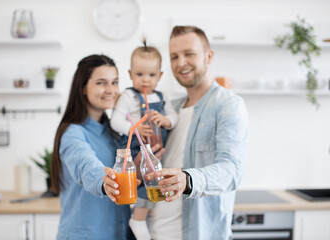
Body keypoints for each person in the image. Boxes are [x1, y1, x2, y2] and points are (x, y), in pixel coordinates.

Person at [146, 26, 249, 239]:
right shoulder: (168, 109)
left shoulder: (228, 105)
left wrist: (188, 179)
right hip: (151, 233)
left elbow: (232, 171)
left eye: (189, 54)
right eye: (174, 56)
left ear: (208, 56)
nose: (180, 62)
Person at [50, 54, 135, 240]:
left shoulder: (113, 132)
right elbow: (84, 162)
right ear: (83, 88)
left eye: (115, 82)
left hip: (120, 233)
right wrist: (103, 180)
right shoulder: (72, 133)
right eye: (101, 83)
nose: (111, 90)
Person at [110, 39, 178, 240]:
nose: (145, 80)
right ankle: (138, 219)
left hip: (155, 150)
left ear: (160, 76)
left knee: (153, 184)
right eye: (139, 75)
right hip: (134, 149)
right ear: (130, 75)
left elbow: (175, 119)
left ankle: (141, 217)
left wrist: (165, 120)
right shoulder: (128, 97)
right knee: (141, 183)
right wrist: (134, 127)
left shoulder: (162, 97)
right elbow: (115, 121)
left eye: (151, 75)